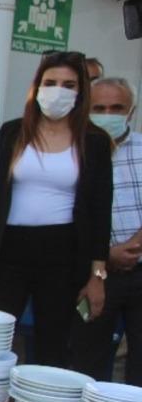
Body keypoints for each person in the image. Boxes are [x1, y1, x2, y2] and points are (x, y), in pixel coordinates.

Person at [0, 52, 111, 368]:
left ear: (81, 92)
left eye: (68, 85)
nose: (58, 91)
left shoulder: (94, 141)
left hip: (62, 255)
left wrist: (97, 277)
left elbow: (100, 212)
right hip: (8, 250)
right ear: (37, 87)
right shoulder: (11, 132)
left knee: (52, 348)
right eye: (50, 82)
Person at [70, 77, 141, 381]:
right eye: (99, 108)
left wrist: (134, 246)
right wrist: (105, 255)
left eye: (117, 108)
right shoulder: (74, 150)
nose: (108, 114)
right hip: (92, 276)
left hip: (139, 268)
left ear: (131, 111)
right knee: (85, 357)